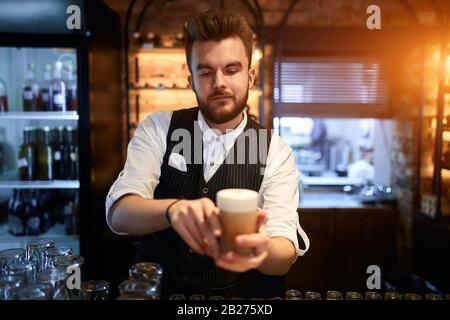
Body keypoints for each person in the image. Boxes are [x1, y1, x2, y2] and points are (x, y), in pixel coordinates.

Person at [105, 9, 309, 299]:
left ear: (250, 77)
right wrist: (172, 209)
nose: (219, 83)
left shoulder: (276, 151)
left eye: (231, 69)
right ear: (191, 81)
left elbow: (283, 252)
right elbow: (119, 213)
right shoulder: (159, 127)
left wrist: (262, 249)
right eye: (206, 71)